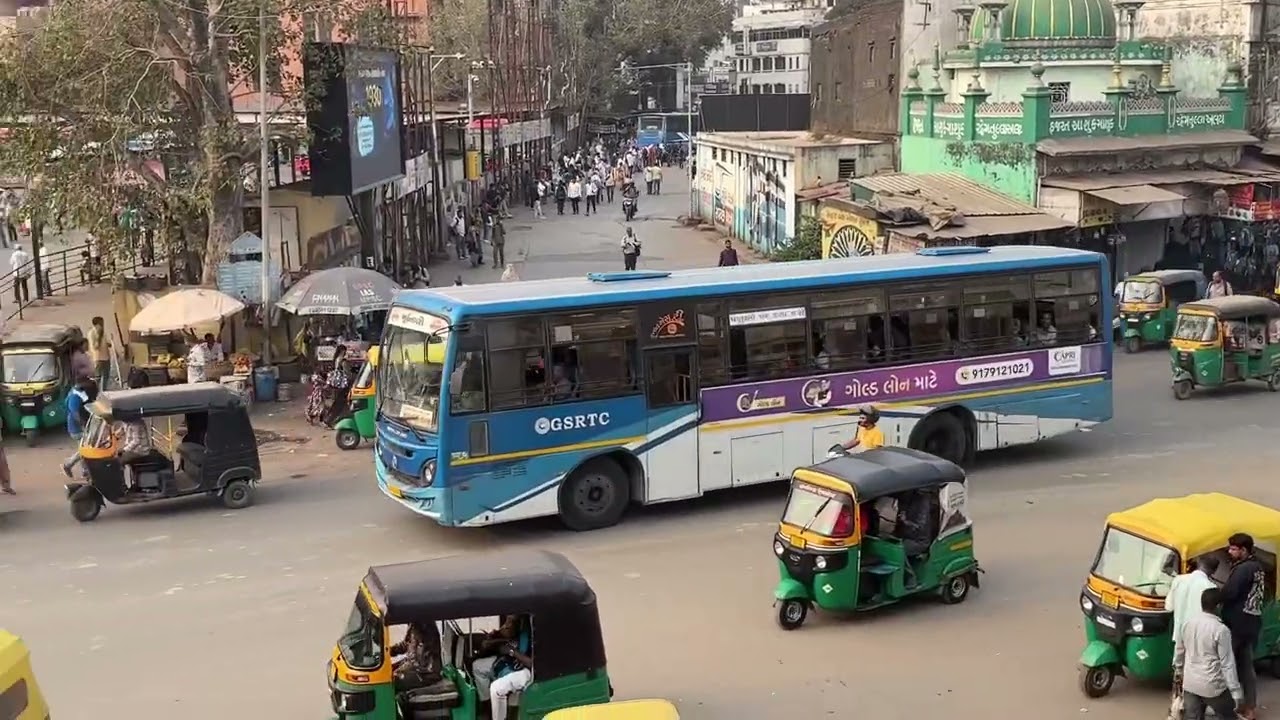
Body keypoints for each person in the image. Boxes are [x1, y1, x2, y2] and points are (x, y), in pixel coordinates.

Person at [1174, 587, 1243, 720]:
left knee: (1192, 717)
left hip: (1190, 684)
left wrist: (1178, 669)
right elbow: (1227, 663)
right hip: (1213, 687)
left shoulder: (1187, 624)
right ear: (1218, 606)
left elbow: (1179, 650)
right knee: (1228, 716)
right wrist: (1235, 692)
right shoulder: (1221, 630)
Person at [1221, 532, 1266, 719]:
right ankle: (1250, 708)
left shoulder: (1243, 569)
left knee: (1226, 665)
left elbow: (1229, 593)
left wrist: (1212, 595)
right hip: (1252, 624)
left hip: (1237, 624)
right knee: (1247, 667)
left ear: (1244, 550)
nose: (1230, 552)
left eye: (1233, 549)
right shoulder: (1258, 567)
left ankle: (1226, 707)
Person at [471, 615, 533, 720]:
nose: (507, 625)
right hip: (509, 662)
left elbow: (532, 663)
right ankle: (487, 706)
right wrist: (498, 635)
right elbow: (505, 638)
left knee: (497, 688)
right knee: (477, 666)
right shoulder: (518, 631)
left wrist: (512, 652)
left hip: (526, 671)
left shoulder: (531, 632)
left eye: (510, 622)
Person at [60, 377, 96, 479]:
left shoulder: (78, 392)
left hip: (79, 426)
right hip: (77, 428)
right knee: (87, 448)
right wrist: (84, 425)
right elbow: (75, 413)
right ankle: (68, 464)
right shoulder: (75, 397)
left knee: (84, 447)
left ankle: (85, 471)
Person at [391, 622, 443, 690]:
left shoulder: (425, 626)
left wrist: (400, 669)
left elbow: (419, 660)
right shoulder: (414, 623)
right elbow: (407, 643)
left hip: (426, 673)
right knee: (389, 670)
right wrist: (389, 650)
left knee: (392, 681)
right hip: (416, 666)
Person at [88, 316, 111, 390]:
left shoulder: (103, 332)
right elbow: (95, 347)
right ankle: (95, 391)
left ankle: (104, 390)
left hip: (106, 357)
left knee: (106, 376)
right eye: (101, 323)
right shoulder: (92, 333)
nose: (103, 325)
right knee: (98, 377)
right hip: (98, 358)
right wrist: (99, 336)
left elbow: (105, 343)